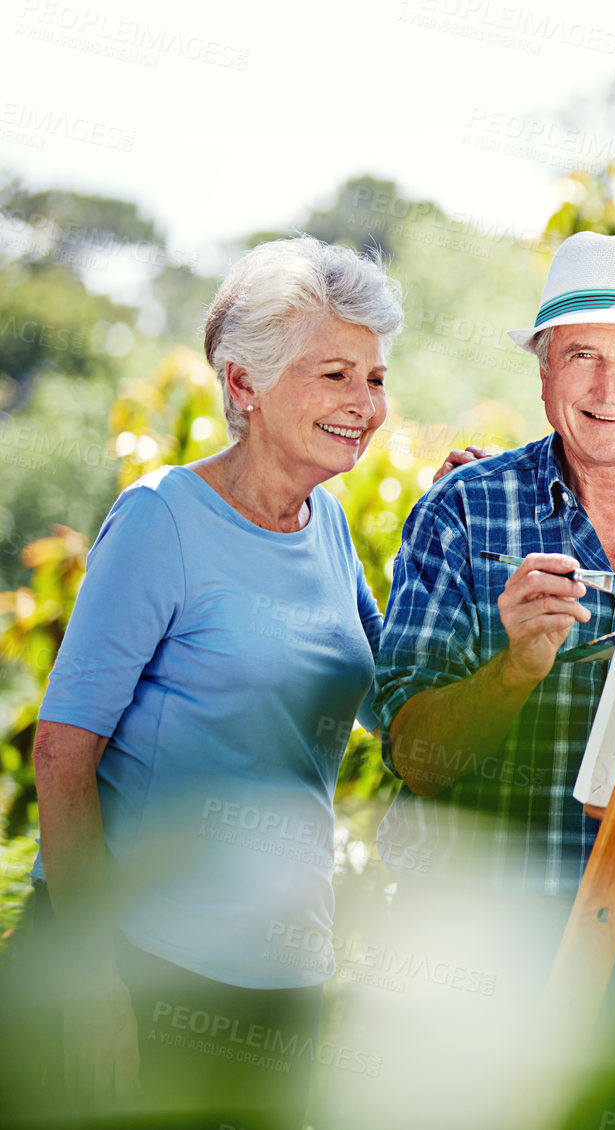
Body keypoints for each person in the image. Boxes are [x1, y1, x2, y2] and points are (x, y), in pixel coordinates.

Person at [24, 236, 402, 1130]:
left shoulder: (331, 527)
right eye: (335, 375)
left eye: (376, 378)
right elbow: (61, 750)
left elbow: (395, 704)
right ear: (243, 385)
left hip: (282, 980)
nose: (365, 405)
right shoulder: (164, 517)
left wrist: (458, 552)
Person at [373, 230, 615, 1125]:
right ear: (543, 375)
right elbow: (413, 755)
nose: (610, 390)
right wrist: (513, 670)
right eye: (581, 356)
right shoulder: (463, 511)